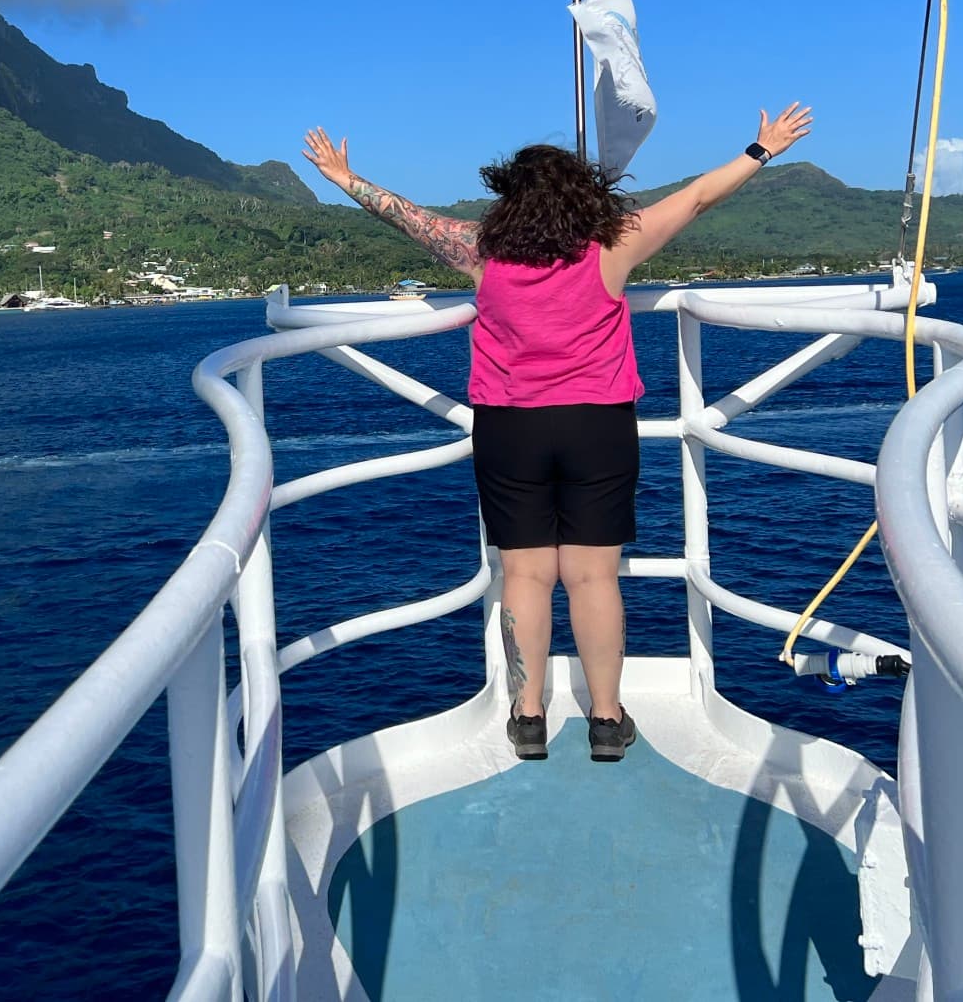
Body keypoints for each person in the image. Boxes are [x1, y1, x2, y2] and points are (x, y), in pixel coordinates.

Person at [301, 105, 813, 761]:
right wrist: (760, 149)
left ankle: (528, 713)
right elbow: (696, 198)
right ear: (583, 195)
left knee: (526, 574)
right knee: (594, 579)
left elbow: (401, 213)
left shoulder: (482, 251)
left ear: (509, 201)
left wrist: (346, 178)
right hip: (596, 424)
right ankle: (605, 720)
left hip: (509, 427)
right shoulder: (614, 242)